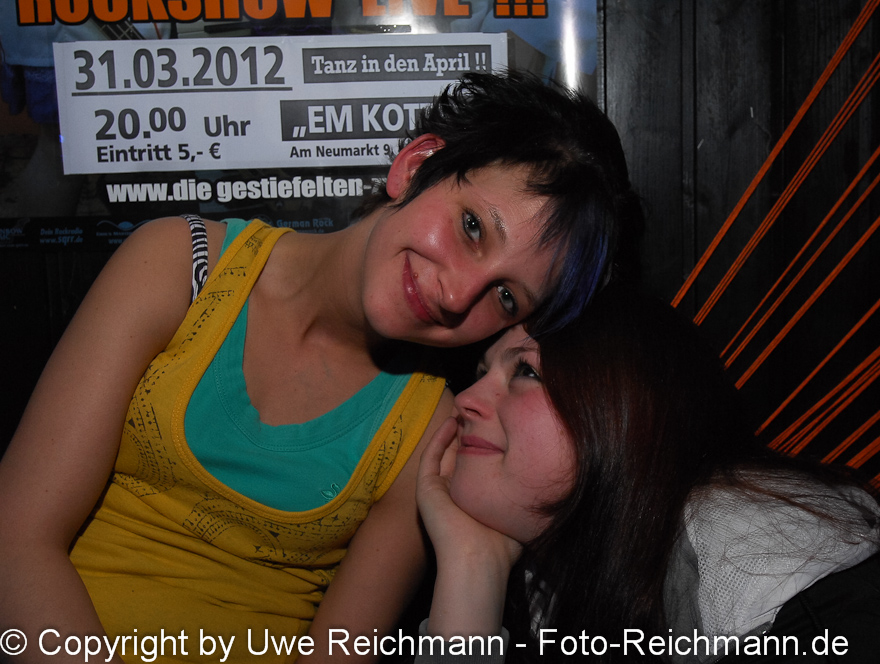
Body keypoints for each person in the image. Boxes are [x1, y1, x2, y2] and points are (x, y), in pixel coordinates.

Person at [0, 71, 641, 663]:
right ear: (416, 166)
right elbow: (17, 538)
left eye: (505, 297)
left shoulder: (428, 431)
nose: (456, 293)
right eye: (472, 227)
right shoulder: (181, 267)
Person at [415, 284, 880, 664]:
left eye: (526, 371)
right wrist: (471, 568)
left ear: (627, 414)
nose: (464, 399)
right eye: (480, 372)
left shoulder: (771, 574)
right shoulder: (552, 564)